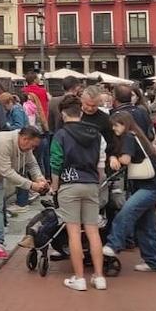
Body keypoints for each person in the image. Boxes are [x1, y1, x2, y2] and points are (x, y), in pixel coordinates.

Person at [50, 95, 107, 291]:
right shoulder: (97, 134)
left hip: (69, 183)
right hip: (91, 183)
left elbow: (56, 162)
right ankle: (99, 277)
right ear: (81, 112)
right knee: (93, 231)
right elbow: (101, 163)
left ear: (63, 114)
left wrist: (55, 187)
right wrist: (97, 181)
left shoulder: (61, 134)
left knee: (73, 232)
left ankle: (80, 278)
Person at [102, 112, 156, 272]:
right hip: (152, 184)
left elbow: (126, 160)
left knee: (127, 211)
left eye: (116, 125)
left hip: (148, 186)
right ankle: (153, 261)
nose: (114, 128)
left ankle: (113, 244)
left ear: (124, 124)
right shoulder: (137, 135)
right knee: (146, 224)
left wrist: (113, 158)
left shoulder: (129, 137)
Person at [0, 125, 49, 258]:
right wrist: (31, 185)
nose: (32, 149)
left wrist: (40, 178)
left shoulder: (26, 148)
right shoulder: (3, 142)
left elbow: (32, 164)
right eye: (32, 146)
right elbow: (6, 171)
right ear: (24, 139)